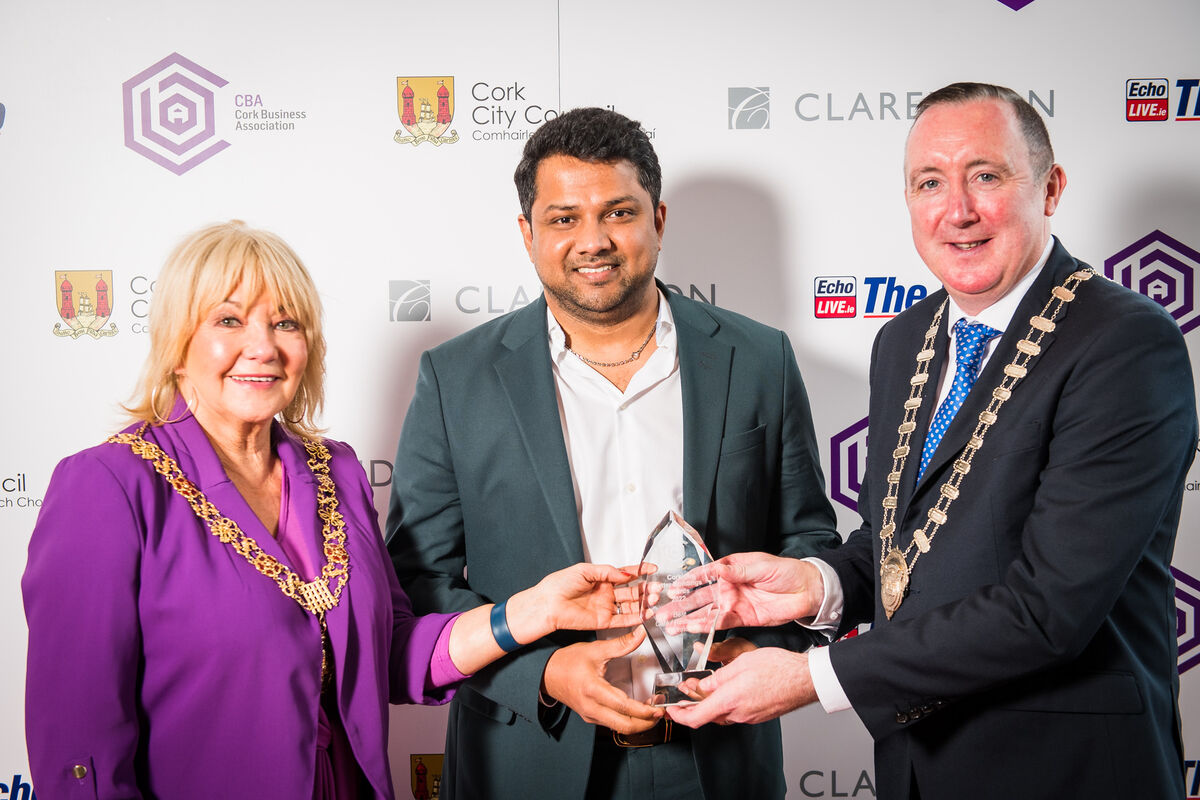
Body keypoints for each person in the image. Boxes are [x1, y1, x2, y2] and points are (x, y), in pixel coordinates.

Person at [665, 83, 1198, 799]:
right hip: (919, 764)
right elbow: (911, 543)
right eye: (930, 183)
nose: (958, 211)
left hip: (1065, 769)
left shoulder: (1124, 344)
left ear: (1051, 187)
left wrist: (810, 677)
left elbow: (1048, 609)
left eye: (986, 175)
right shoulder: (903, 340)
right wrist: (814, 585)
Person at [22, 221, 646, 800]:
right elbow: (79, 742)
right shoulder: (109, 485)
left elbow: (394, 653)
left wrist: (531, 611)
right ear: (178, 343)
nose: (262, 347)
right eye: (230, 320)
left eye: (286, 323)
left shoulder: (335, 470)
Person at [386, 106, 840, 799]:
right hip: (528, 755)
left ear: (658, 220)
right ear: (527, 232)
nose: (592, 240)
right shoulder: (456, 379)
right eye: (564, 217)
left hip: (719, 756)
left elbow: (808, 539)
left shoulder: (758, 359)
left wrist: (761, 654)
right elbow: (419, 586)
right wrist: (544, 674)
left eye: (618, 213)